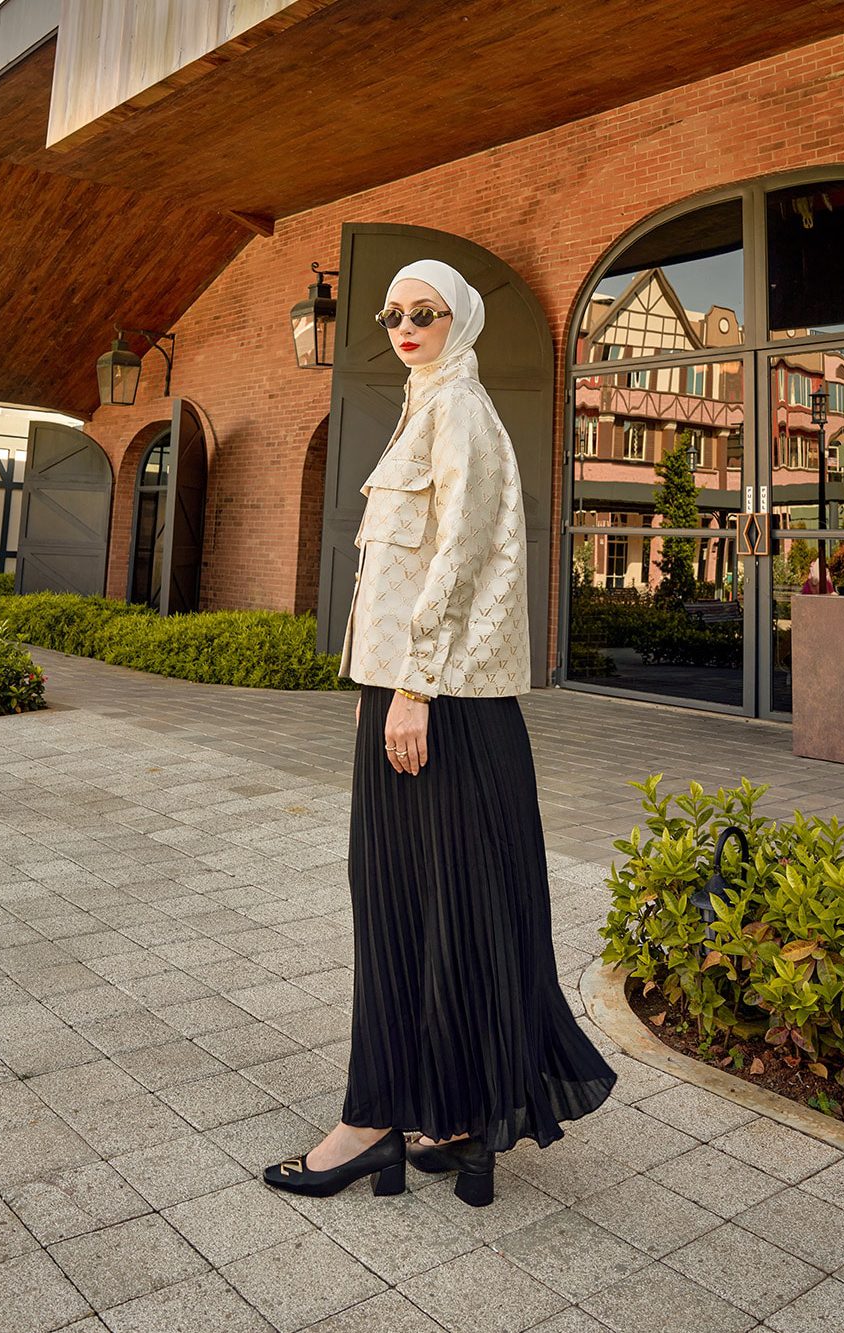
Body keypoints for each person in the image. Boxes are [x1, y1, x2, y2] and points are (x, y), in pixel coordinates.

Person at [262, 258, 617, 1207]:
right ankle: (447, 1116)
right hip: (412, 693)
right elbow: (395, 570)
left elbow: (460, 557)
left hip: (444, 703)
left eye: (425, 311)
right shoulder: (423, 408)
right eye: (391, 314)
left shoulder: (459, 408)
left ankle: (373, 1120)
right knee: (419, 905)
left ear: (460, 319)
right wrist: (375, 682)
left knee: (421, 906)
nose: (404, 326)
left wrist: (412, 686)